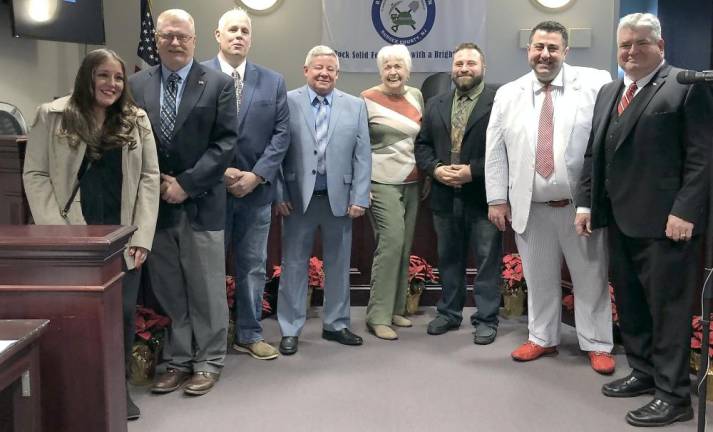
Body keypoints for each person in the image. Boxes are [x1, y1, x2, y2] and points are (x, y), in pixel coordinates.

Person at [575, 13, 713, 427]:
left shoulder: (685, 87)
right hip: (619, 220)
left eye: (640, 44)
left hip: (668, 225)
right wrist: (586, 203)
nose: (631, 52)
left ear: (661, 46)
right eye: (624, 45)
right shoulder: (609, 91)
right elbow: (592, 154)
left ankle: (673, 395)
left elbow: (703, 156)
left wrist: (686, 209)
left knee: (667, 311)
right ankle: (644, 372)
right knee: (632, 306)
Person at [22, 48, 160, 420]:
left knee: (124, 315)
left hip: (123, 236)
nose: (111, 84)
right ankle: (77, 387)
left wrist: (143, 236)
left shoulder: (136, 119)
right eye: (103, 75)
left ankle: (119, 388)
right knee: (75, 316)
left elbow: (149, 178)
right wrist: (57, 232)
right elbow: (34, 174)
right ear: (88, 76)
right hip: (73, 237)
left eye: (118, 78)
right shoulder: (52, 116)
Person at [485, 21, 615, 372]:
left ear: (565, 52)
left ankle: (597, 343)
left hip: (579, 208)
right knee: (538, 278)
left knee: (590, 278)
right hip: (532, 208)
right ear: (528, 49)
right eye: (538, 47)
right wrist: (496, 198)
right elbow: (495, 150)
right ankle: (542, 337)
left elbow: (605, 144)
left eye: (553, 48)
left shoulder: (595, 83)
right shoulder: (508, 93)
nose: (545, 54)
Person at [128, 9, 238, 396]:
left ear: (195, 40)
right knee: (170, 289)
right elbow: (131, 144)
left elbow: (225, 144)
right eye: (167, 35)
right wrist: (157, 184)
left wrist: (186, 185)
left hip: (201, 204)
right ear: (156, 39)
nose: (174, 42)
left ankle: (208, 361)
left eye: (182, 37)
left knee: (206, 289)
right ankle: (178, 360)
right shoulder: (136, 84)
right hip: (155, 209)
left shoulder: (218, 84)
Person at [204, 7, 289, 361]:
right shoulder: (199, 76)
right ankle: (212, 336)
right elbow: (189, 135)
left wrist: (256, 175)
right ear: (218, 36)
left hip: (256, 193)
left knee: (253, 266)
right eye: (232, 30)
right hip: (210, 192)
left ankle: (250, 333)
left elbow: (282, 135)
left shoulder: (272, 81)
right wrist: (221, 172)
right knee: (209, 267)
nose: (239, 35)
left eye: (245, 31)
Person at [275, 45, 371, 355]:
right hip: (297, 200)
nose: (324, 73)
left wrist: (359, 196)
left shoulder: (355, 106)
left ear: (338, 74)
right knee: (293, 266)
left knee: (339, 264)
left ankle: (336, 324)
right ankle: (290, 328)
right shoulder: (287, 101)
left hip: (340, 200)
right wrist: (278, 193)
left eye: (330, 69)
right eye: (318, 67)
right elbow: (276, 151)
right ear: (306, 71)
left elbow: (363, 155)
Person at [414, 42, 502, 345]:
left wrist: (472, 171)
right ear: (452, 68)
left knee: (487, 258)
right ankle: (449, 313)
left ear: (483, 68)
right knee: (448, 257)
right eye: (459, 64)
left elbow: (503, 149)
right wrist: (436, 169)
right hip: (443, 194)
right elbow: (422, 145)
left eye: (470, 63)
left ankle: (486, 318)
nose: (464, 69)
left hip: (481, 194)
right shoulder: (436, 103)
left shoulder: (498, 101)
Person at [361, 44, 423, 340]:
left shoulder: (417, 96)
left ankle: (397, 307)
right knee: (391, 242)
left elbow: (420, 142)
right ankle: (377, 315)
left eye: (399, 66)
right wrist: (361, 186)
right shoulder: (367, 99)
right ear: (380, 70)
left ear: (408, 70)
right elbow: (358, 147)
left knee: (405, 243)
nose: (393, 72)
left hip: (412, 182)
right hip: (379, 181)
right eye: (388, 67)